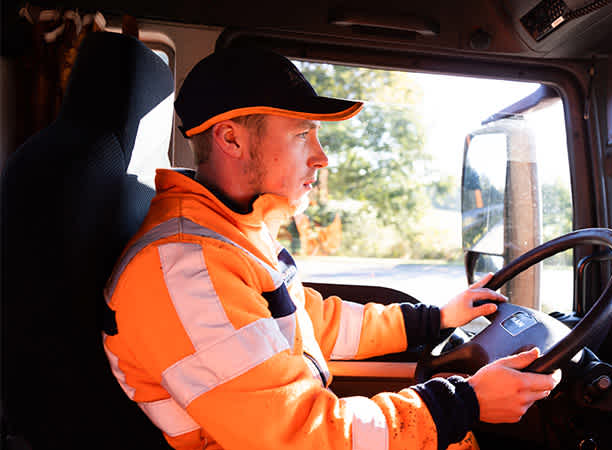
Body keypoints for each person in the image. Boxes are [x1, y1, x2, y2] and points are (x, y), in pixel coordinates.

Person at [102, 47, 561, 450]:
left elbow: (313, 324)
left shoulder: (233, 235)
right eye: (303, 134)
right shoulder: (185, 267)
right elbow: (295, 435)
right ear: (231, 138)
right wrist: (465, 402)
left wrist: (435, 318)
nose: (323, 156)